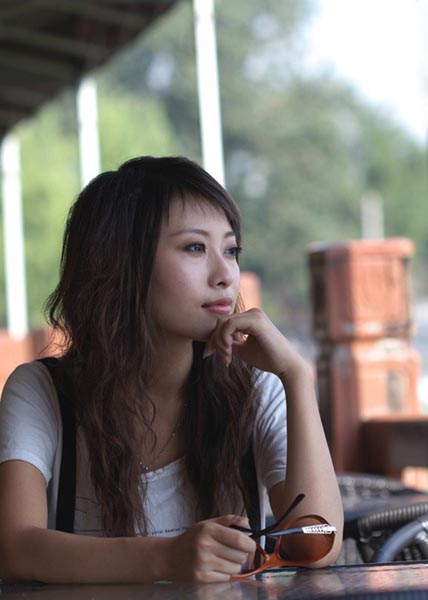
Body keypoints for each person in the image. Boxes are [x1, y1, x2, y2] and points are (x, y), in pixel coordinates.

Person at [0, 156, 343, 584]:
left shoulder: (258, 389)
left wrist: (296, 377)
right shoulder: (43, 391)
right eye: (195, 248)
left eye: (231, 250)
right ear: (123, 262)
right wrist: (167, 558)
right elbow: (14, 547)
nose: (225, 275)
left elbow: (317, 544)